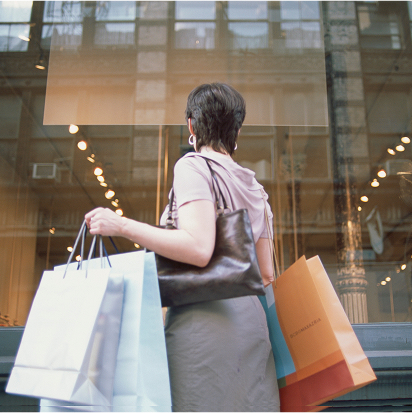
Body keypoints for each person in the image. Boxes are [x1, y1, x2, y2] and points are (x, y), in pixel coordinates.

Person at [85, 83, 280, 412]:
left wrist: (121, 225)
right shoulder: (255, 186)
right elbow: (266, 273)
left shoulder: (192, 166)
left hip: (205, 323)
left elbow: (198, 247)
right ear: (237, 130)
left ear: (191, 125)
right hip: (251, 327)